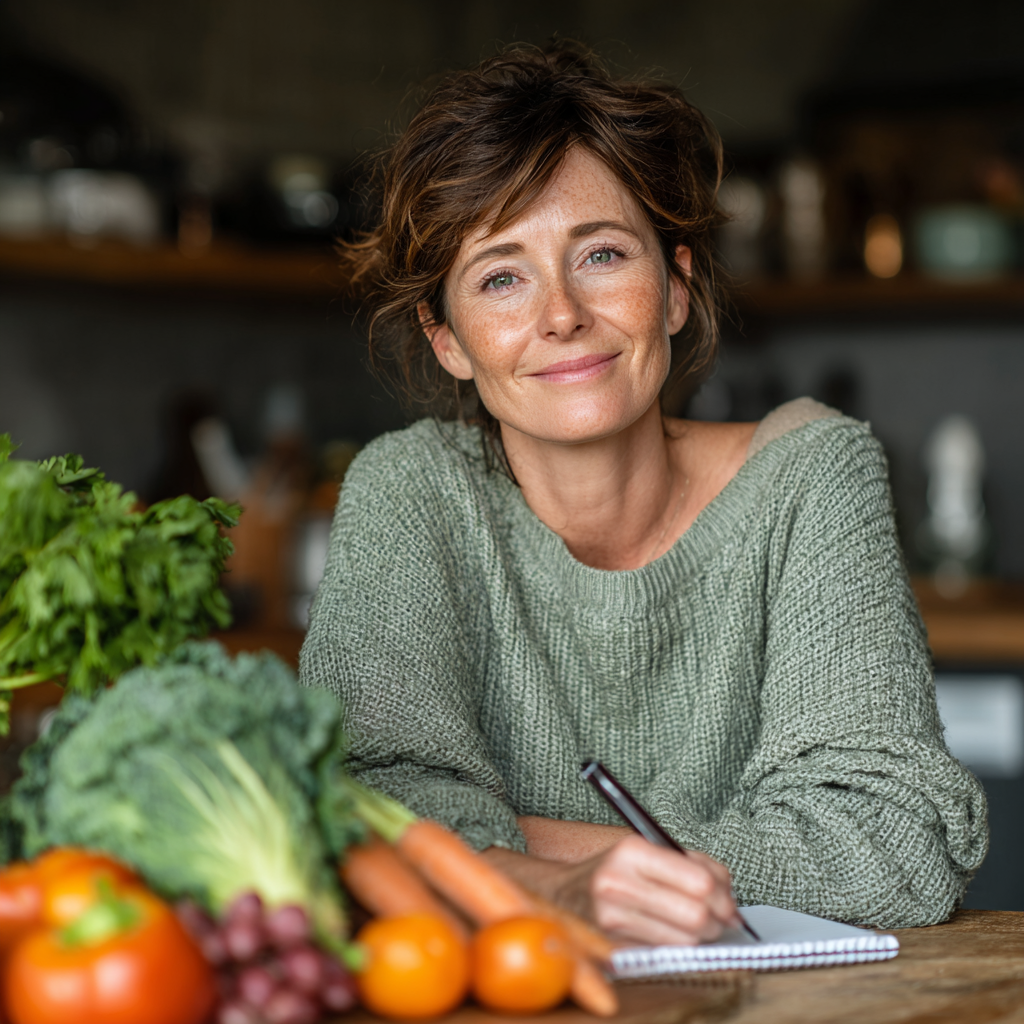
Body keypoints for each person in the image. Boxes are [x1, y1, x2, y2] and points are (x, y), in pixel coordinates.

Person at [300, 44, 987, 944]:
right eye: (501, 276)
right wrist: (566, 883)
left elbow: (893, 844)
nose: (560, 314)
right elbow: (358, 813)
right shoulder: (409, 494)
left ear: (675, 285)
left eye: (602, 254)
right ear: (448, 341)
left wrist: (528, 854)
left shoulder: (812, 475)